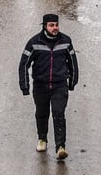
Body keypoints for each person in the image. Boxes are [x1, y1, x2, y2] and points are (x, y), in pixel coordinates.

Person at [18, 14, 79, 161]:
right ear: (44, 26)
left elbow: (73, 63)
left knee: (59, 113)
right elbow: (23, 64)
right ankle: (42, 139)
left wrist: (72, 82)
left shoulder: (66, 41)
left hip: (60, 85)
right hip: (41, 85)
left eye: (56, 25)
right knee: (42, 113)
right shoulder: (34, 42)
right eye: (51, 25)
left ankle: (60, 147)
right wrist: (24, 86)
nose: (55, 28)